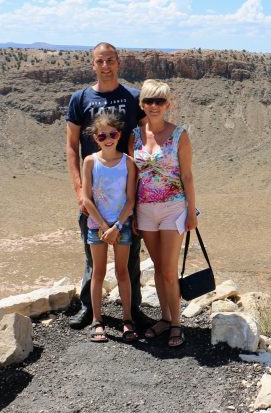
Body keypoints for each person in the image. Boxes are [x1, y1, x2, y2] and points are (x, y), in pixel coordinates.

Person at [65, 42, 147, 329]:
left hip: (125, 192)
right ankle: (90, 309)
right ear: (93, 64)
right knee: (93, 256)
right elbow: (72, 147)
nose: (105, 66)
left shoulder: (134, 97)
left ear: (118, 62)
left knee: (130, 256)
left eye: (110, 60)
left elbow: (145, 140)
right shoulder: (80, 98)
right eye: (100, 61)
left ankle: (132, 310)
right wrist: (79, 189)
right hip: (94, 193)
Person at [130, 79, 197, 347]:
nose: (154, 106)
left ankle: (177, 324)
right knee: (158, 268)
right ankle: (165, 317)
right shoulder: (134, 136)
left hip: (173, 208)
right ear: (142, 104)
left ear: (168, 104)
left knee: (169, 270)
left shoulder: (179, 135)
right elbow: (132, 176)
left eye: (159, 101)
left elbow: (188, 176)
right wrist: (132, 212)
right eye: (148, 101)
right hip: (145, 209)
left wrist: (191, 211)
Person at [81, 113, 138, 342]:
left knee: (123, 272)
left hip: (120, 226)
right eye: (102, 135)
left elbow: (131, 199)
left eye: (112, 134)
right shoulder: (90, 161)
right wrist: (105, 227)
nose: (108, 139)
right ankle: (97, 320)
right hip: (98, 226)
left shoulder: (128, 163)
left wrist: (116, 226)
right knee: (98, 272)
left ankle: (127, 319)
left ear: (119, 135)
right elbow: (86, 199)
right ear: (95, 138)